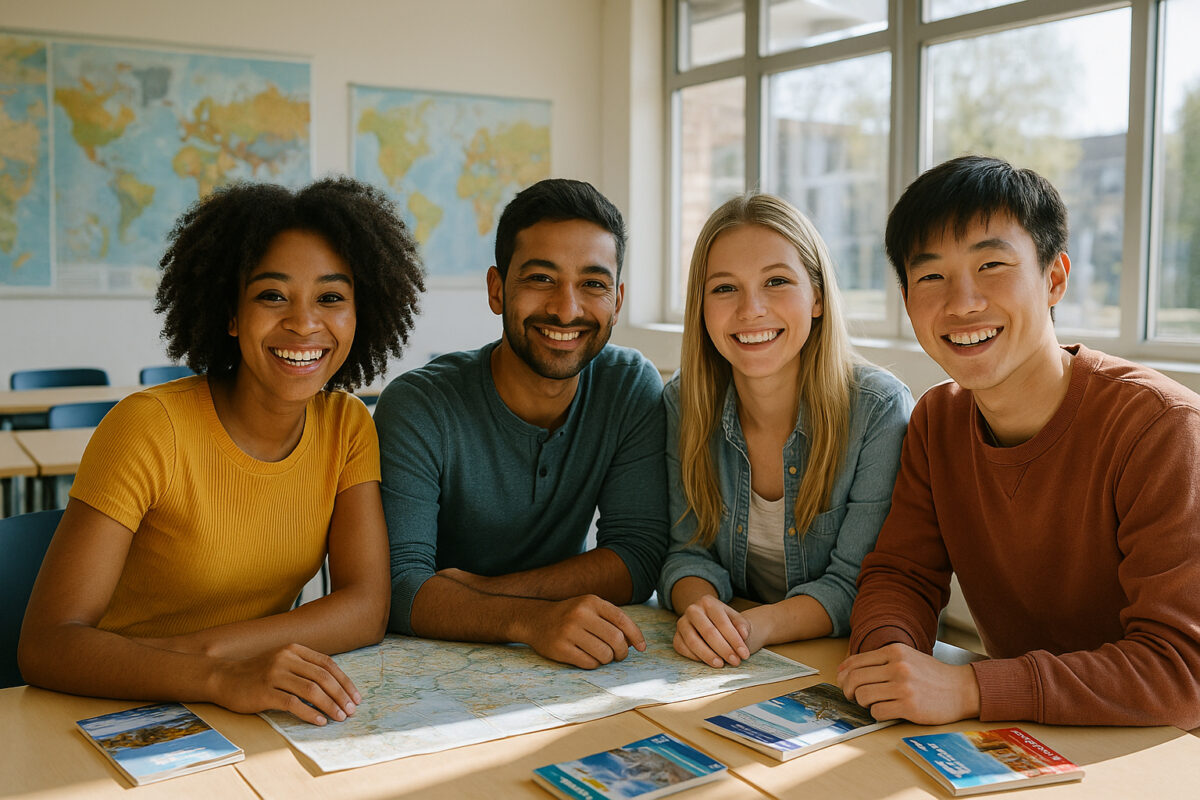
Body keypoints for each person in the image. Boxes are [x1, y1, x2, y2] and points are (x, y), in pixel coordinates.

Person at [19, 178, 425, 726]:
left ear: (360, 316)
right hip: (110, 705)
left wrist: (224, 664)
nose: (304, 323)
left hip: (240, 703)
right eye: (271, 295)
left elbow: (365, 608)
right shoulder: (148, 427)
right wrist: (217, 672)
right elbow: (47, 645)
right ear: (231, 315)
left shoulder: (347, 425)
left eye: (331, 297)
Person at [838, 155, 1200, 729]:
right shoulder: (938, 420)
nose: (962, 303)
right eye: (931, 276)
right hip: (1026, 738)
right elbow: (902, 574)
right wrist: (890, 657)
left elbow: (1181, 670)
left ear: (1054, 278)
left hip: (1163, 753)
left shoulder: (1162, 427)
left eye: (992, 265)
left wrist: (971, 686)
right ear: (908, 300)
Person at [376, 178, 668, 670]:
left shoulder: (629, 385)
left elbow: (637, 559)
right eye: (540, 279)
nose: (566, 308)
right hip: (428, 662)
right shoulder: (418, 406)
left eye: (592, 284)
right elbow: (400, 589)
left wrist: (482, 595)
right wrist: (530, 620)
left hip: (562, 659)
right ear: (497, 289)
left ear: (617, 301)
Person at [659, 193, 913, 669]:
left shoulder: (879, 411)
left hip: (831, 659)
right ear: (701, 307)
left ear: (817, 297)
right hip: (739, 652)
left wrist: (750, 629)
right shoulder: (683, 403)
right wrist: (701, 609)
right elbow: (686, 553)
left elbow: (853, 584)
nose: (751, 309)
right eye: (724, 288)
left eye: (777, 281)